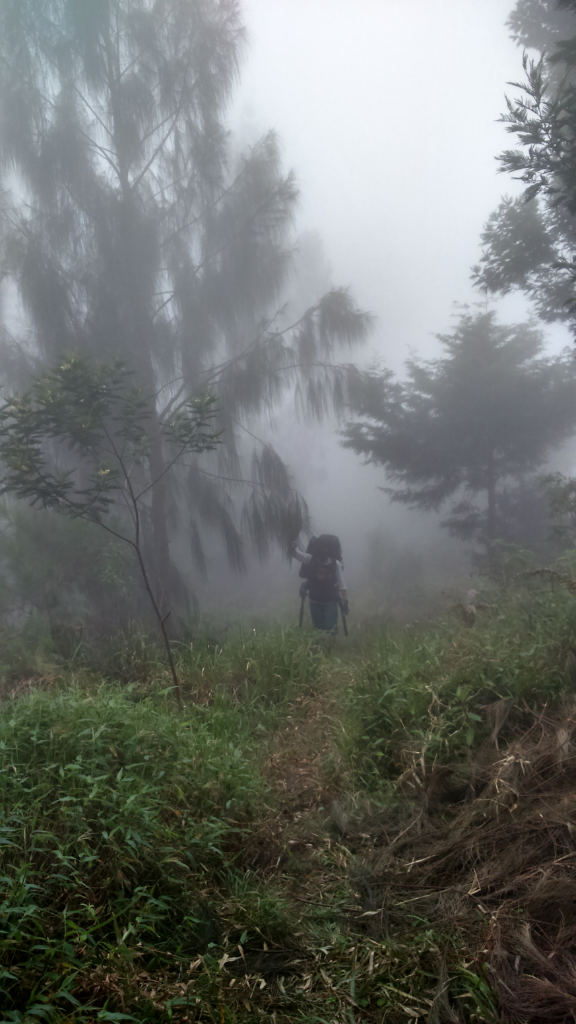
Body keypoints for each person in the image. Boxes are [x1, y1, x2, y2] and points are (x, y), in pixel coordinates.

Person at [291, 535, 348, 632]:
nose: (323, 552)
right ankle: (322, 644)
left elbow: (342, 584)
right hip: (317, 601)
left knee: (330, 628)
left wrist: (345, 601)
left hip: (328, 601)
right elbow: (295, 554)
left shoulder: (335, 564)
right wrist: (293, 543)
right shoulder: (311, 559)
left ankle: (328, 645)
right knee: (319, 628)